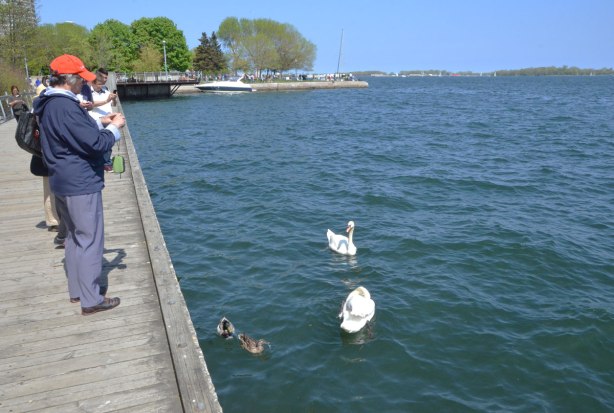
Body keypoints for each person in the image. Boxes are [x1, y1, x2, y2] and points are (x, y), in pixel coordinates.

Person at [34, 54, 126, 315]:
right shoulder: (65, 106)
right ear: (70, 79)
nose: (82, 84)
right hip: (80, 182)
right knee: (89, 240)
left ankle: (77, 291)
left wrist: (100, 121)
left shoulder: (48, 103)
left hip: (61, 179)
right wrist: (115, 128)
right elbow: (95, 143)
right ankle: (91, 299)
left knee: (74, 238)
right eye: (80, 79)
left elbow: (70, 132)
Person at [89, 71, 118, 171]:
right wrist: (106, 101)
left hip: (109, 120)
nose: (101, 85)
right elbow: (91, 104)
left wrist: (113, 99)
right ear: (93, 82)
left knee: (108, 143)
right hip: (96, 121)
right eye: (99, 83)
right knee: (97, 143)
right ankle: (101, 163)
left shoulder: (106, 89)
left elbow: (114, 105)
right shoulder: (88, 91)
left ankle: (107, 163)